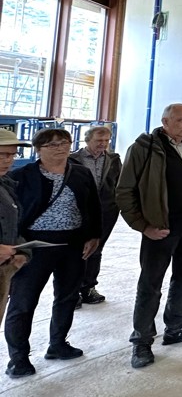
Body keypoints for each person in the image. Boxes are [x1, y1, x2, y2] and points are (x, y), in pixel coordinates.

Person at [115, 103, 182, 369]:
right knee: (150, 285)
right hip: (160, 229)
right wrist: (143, 226)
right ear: (165, 121)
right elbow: (125, 191)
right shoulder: (144, 148)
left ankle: (176, 327)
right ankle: (142, 341)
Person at [4, 129, 100, 378]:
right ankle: (18, 358)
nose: (59, 148)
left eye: (64, 143)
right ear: (39, 149)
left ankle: (58, 344)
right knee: (23, 302)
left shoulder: (80, 172)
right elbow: (12, 216)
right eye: (52, 144)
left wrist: (94, 235)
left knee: (67, 297)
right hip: (34, 245)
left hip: (73, 244)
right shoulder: (21, 176)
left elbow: (93, 205)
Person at [69, 125, 121, 306]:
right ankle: (71, 291)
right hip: (78, 211)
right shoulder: (73, 159)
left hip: (106, 211)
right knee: (75, 251)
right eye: (99, 140)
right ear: (87, 140)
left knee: (96, 249)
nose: (103, 144)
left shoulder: (114, 159)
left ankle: (89, 287)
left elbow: (119, 183)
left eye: (106, 141)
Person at [0, 130, 32, 324]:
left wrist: (23, 252)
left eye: (12, 154)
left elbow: (14, 224)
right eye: (2, 154)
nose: (8, 160)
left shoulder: (6, 184)